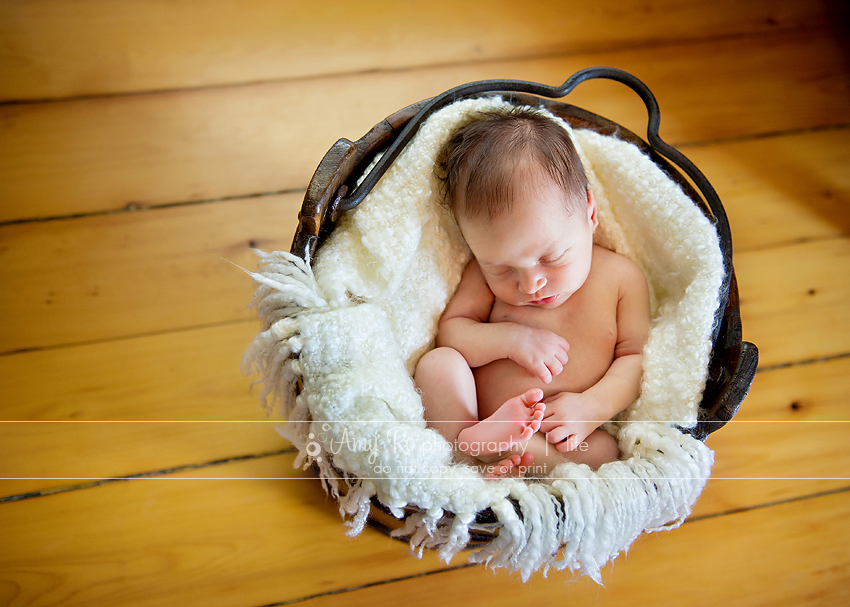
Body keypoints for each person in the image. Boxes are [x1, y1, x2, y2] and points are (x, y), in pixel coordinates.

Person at [414, 106, 650, 477]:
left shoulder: (622, 278)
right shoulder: (481, 273)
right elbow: (453, 332)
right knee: (438, 365)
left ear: (589, 213)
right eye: (503, 269)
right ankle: (471, 454)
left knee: (607, 452)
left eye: (551, 257)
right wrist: (511, 340)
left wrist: (592, 408)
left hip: (562, 434)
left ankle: (496, 455)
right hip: (478, 417)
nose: (530, 284)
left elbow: (635, 359)